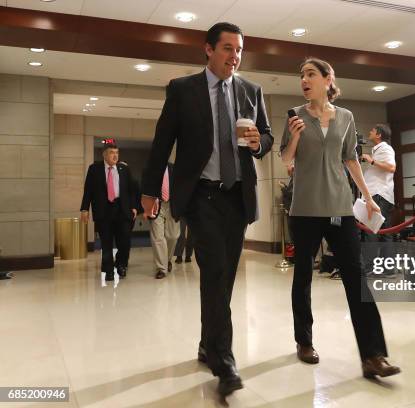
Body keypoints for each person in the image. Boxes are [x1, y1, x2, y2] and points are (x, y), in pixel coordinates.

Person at [140, 22, 273, 396]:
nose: (235, 56)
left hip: (236, 195)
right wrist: (150, 190)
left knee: (223, 277)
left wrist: (257, 142)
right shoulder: (183, 90)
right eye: (228, 48)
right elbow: (162, 141)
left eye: (240, 49)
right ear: (208, 50)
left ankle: (205, 343)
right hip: (200, 195)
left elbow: (266, 135)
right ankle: (224, 360)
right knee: (214, 269)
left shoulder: (251, 91)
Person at [281, 57, 400, 379]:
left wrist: (368, 196)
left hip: (339, 207)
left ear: (327, 78)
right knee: (303, 275)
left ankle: (373, 355)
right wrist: (293, 136)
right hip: (304, 208)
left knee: (355, 277)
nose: (304, 80)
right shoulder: (295, 116)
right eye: (301, 75)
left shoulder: (346, 117)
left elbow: (350, 158)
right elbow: (285, 158)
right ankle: (304, 342)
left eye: (310, 74)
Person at [80, 139, 137, 281]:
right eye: (112, 153)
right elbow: (88, 190)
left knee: (124, 241)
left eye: (117, 153)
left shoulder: (124, 169)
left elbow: (132, 190)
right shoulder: (94, 169)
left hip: (122, 209)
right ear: (104, 154)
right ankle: (108, 270)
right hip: (103, 210)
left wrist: (134, 207)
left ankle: (121, 265)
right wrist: (84, 209)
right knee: (106, 243)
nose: (115, 156)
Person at [361, 124, 396, 274]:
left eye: (372, 130)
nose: (370, 132)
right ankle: (388, 269)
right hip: (380, 194)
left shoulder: (385, 149)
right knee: (384, 232)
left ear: (379, 134)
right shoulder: (378, 149)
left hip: (379, 194)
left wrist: (372, 161)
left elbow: (391, 167)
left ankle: (369, 267)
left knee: (371, 231)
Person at [148, 163, 180, 279]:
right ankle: (161, 268)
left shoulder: (175, 169)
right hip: (156, 205)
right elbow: (145, 188)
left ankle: (167, 260)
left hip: (172, 205)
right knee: (157, 237)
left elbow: (181, 187)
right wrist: (146, 208)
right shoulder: (151, 168)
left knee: (173, 236)